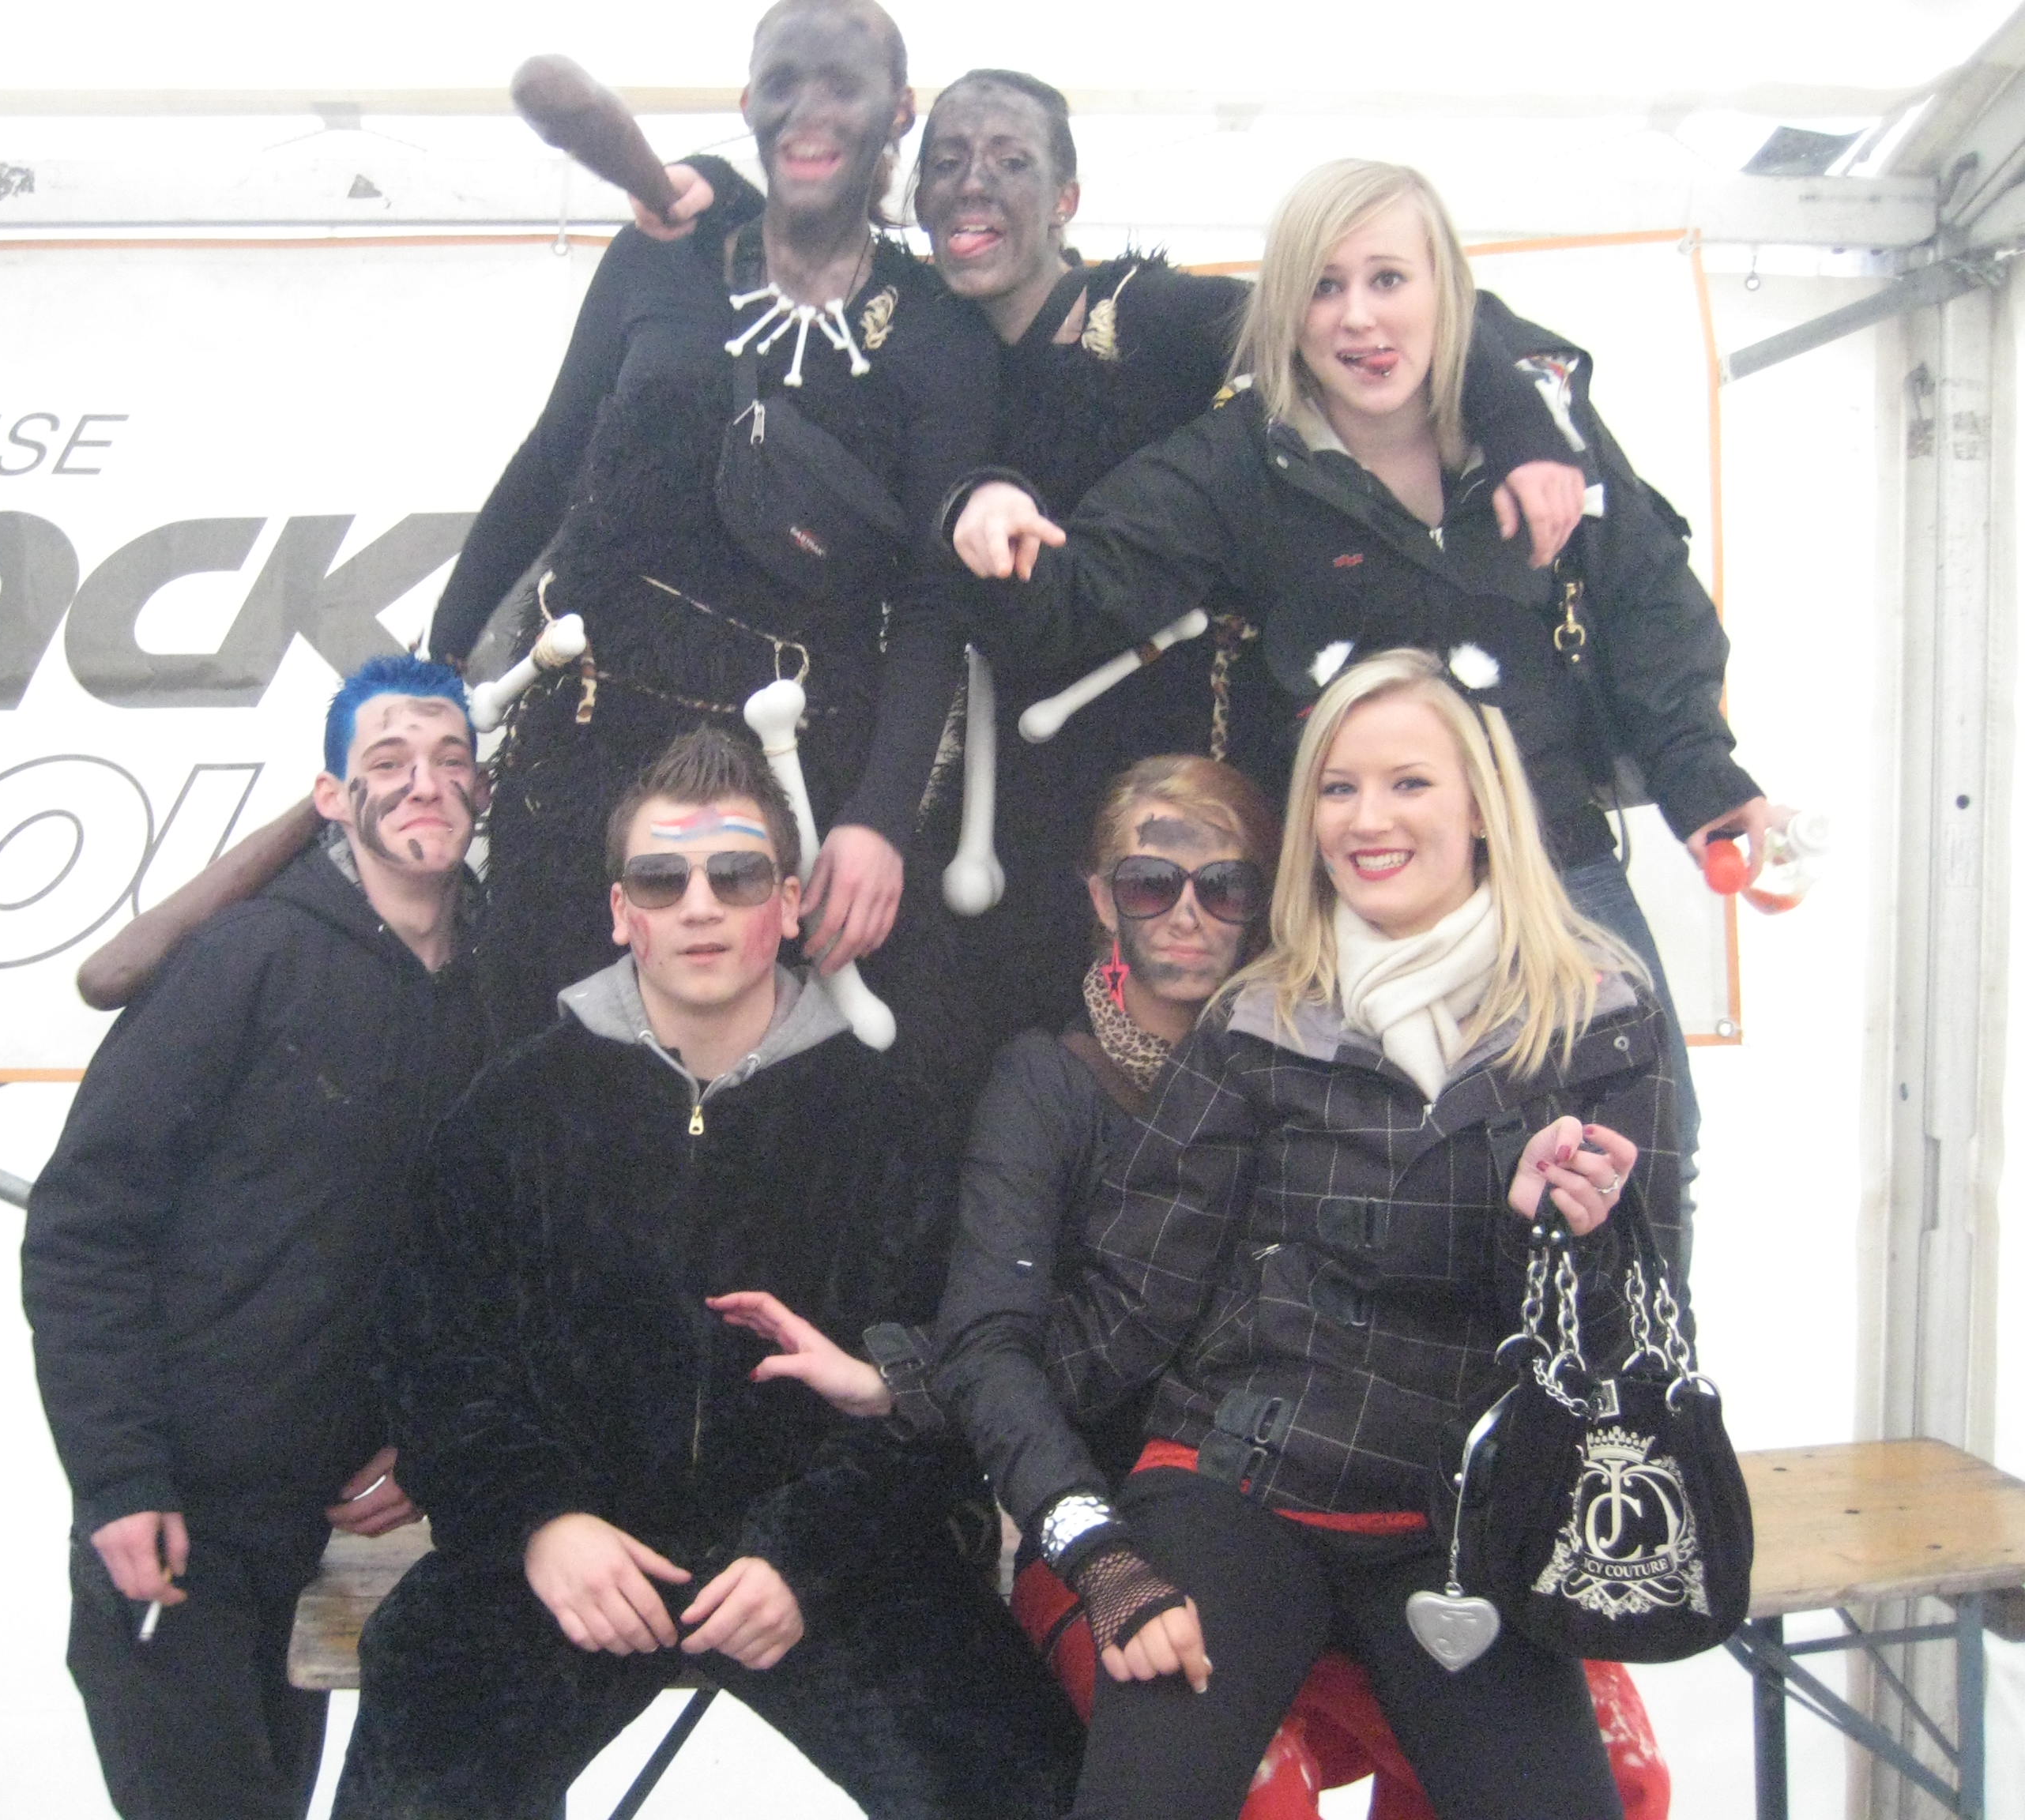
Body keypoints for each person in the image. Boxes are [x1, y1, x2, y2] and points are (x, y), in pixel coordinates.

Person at [719, 752, 1670, 1820]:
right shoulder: (1047, 1084)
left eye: (1225, 887)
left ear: (1269, 901)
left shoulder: (1324, 1058)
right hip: (1119, 1508)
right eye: (1148, 884)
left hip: (1358, 1501)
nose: (1185, 914)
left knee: (1620, 1771)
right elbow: (1061, 1329)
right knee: (1261, 1798)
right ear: (1100, 899)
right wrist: (919, 1386)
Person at [950, 159, 1771, 1219]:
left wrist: (1704, 776)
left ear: (1446, 292)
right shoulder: (1239, 458)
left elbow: (1648, 598)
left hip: (1550, 855)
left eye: (1389, 279)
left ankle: (1620, 1336)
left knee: (1647, 1149)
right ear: (1285, 314)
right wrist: (988, 513)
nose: (1359, 319)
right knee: (1376, 1176)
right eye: (1323, 288)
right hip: (1353, 877)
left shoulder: (1540, 422)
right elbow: (1074, 596)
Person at [332, 726, 1081, 1820]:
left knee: (1020, 1784)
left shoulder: (892, 1121)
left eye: (737, 876)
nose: (700, 906)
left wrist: (802, 1560)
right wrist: (542, 1524)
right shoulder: (511, 1112)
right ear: (619, 909)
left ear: (789, 903)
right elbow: (437, 1363)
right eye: (661, 879)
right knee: (420, 1774)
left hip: (835, 1562)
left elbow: (940, 1384)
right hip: (578, 1556)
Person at [1056, 648, 1679, 1819]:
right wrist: (926, 1383)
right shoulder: (1262, 1013)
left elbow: (1638, 1340)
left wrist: (1560, 1242)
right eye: (1338, 788)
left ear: (1483, 806)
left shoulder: (1600, 1015)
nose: (1367, 819)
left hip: (1469, 1512)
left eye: (1408, 784)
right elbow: (1138, 1290)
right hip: (1242, 1479)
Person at [909, 78, 1593, 1054]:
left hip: (1175, 767)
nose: (975, 184)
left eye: (1012, 161)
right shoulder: (906, 336)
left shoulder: (1157, 314)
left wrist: (1521, 426)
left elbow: (1375, 325)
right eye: (947, 162)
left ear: (1067, 197)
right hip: (994, 769)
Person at [420, 0, 999, 1069]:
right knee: (549, 1069)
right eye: (783, 82)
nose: (808, 110)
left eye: (842, 84)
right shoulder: (668, 249)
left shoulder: (939, 333)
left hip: (791, 788)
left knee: (774, 1106)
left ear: (898, 111)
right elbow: (552, 459)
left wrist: (878, 820)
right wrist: (434, 663)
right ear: (747, 102)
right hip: (583, 750)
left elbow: (932, 602)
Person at [21, 655, 491, 1820]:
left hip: (340, 1526)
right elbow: (84, 1227)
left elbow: (495, 1261)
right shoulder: (241, 962)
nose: (424, 783)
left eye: (450, 760)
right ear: (332, 796)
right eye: (388, 760)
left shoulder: (499, 989)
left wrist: (429, 1433)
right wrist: (119, 1481)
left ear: (480, 792)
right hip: (181, 1518)